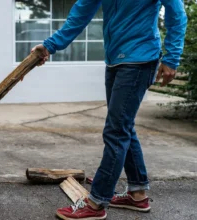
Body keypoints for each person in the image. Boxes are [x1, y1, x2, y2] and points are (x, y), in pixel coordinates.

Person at [32, 0, 187, 219]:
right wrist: (50, 45)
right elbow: (81, 12)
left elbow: (176, 14)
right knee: (123, 127)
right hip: (115, 60)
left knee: (116, 131)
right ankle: (138, 194)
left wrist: (171, 57)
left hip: (140, 59)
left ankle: (96, 202)